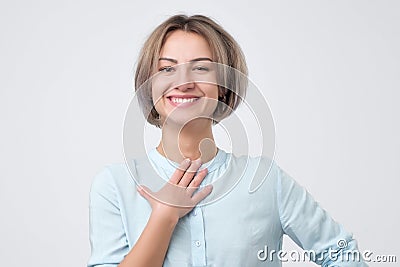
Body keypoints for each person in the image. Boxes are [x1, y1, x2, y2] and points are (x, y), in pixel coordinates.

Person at [88, 14, 367, 267]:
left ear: (224, 86)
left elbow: (342, 254)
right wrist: (164, 217)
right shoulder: (114, 184)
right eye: (167, 69)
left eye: (201, 68)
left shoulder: (265, 180)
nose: (183, 82)